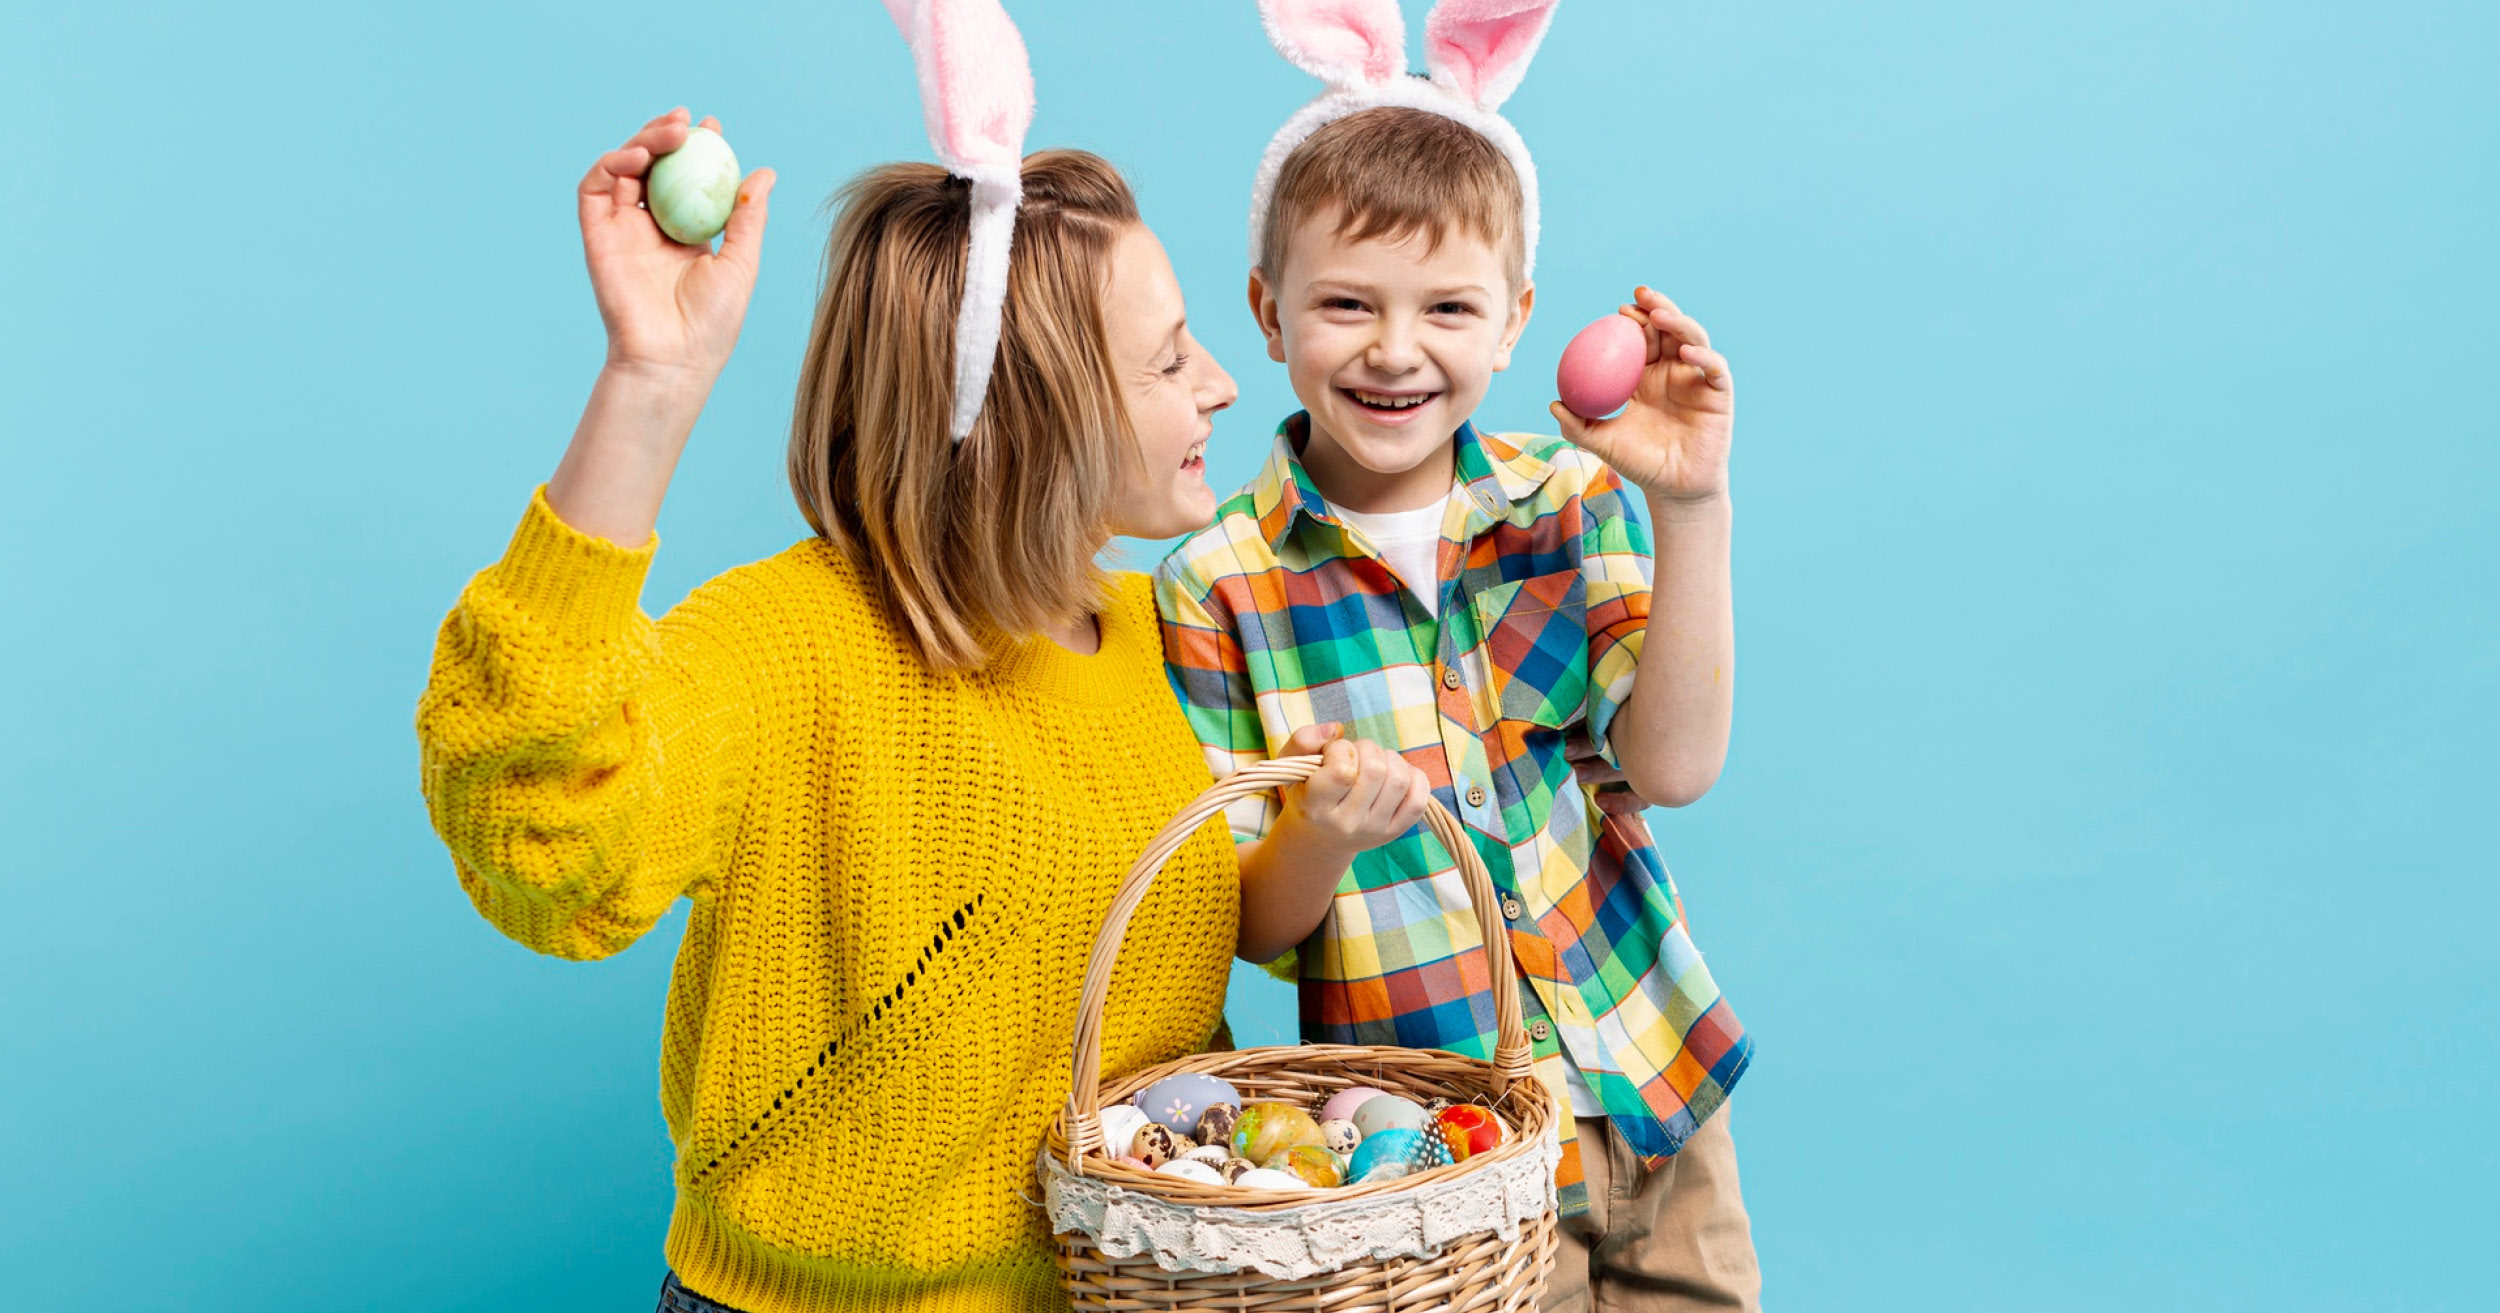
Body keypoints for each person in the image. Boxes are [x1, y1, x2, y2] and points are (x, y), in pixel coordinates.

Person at [413, 94, 1287, 1309]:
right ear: (1031, 417)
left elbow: (1242, 946)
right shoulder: (792, 647)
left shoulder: (1166, 635)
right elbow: (543, 836)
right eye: (1169, 358)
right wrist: (650, 382)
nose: (1223, 383)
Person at [1154, 3, 1761, 1308]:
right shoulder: (1219, 583)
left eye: (1447, 306)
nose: (1394, 347)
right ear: (1268, 312)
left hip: (1649, 1088)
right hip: (1434, 1150)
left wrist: (1691, 505)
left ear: (1512, 319)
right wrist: (1321, 831)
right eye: (1345, 303)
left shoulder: (1569, 503)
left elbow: (1676, 766)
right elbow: (1250, 928)